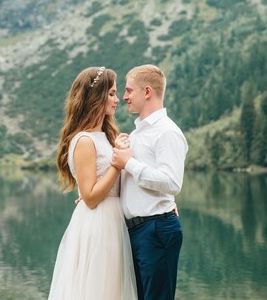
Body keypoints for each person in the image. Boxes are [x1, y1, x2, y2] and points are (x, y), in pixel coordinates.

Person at [48, 66, 138, 300]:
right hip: (99, 223)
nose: (117, 100)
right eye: (111, 94)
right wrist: (117, 164)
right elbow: (90, 196)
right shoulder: (85, 140)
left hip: (115, 219)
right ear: (95, 97)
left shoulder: (106, 137)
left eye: (116, 93)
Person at [111, 64, 187, 300]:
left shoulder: (167, 132)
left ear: (147, 92)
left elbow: (172, 183)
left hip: (156, 230)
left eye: (128, 90)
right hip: (136, 231)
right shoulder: (135, 135)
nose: (124, 97)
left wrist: (129, 162)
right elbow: (130, 182)